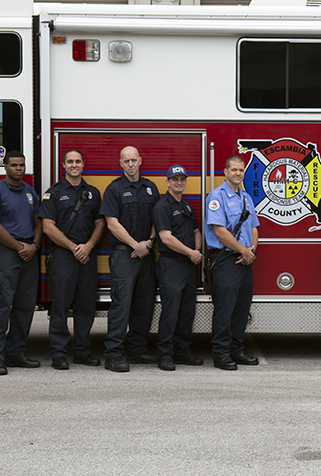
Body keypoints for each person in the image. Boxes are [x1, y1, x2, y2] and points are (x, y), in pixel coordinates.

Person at [39, 149, 105, 370]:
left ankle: (82, 352)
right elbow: (47, 226)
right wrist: (73, 247)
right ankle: (58, 354)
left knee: (86, 306)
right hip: (64, 256)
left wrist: (87, 247)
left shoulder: (93, 193)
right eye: (70, 162)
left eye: (78, 161)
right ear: (63, 165)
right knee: (60, 305)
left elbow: (100, 224)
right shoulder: (53, 193)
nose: (74, 165)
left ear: (83, 164)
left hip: (87, 254)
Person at [100, 146, 160, 373]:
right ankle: (113, 355)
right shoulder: (114, 189)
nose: (131, 164)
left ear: (140, 161)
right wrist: (135, 245)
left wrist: (149, 242)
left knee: (144, 304)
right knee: (121, 305)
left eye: (134, 160)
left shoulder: (151, 188)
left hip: (146, 252)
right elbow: (112, 223)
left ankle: (137, 349)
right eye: (126, 161)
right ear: (121, 163)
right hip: (125, 254)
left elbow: (158, 217)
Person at [0, 150, 43, 376]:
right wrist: (20, 247)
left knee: (25, 306)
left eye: (22, 165)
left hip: (29, 252)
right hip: (7, 253)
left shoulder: (30, 192)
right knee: (2, 305)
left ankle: (16, 353)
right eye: (14, 165)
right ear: (5, 167)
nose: (19, 168)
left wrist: (34, 245)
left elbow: (38, 221)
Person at [205, 155, 260, 370]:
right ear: (225, 172)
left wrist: (251, 250)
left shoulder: (246, 197)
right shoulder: (216, 196)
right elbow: (219, 231)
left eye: (241, 170)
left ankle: (237, 351)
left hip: (245, 260)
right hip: (226, 260)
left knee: (241, 309)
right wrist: (243, 251)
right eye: (234, 170)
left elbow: (254, 226)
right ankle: (221, 354)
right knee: (224, 310)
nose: (238, 173)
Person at [154, 165, 204, 371]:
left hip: (187, 265)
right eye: (175, 179)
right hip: (171, 264)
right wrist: (190, 253)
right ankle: (165, 355)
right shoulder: (162, 206)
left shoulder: (187, 206)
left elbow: (196, 230)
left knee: (186, 311)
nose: (179, 182)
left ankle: (183, 352)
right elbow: (166, 238)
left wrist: (197, 249)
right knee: (170, 312)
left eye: (182, 179)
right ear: (167, 182)